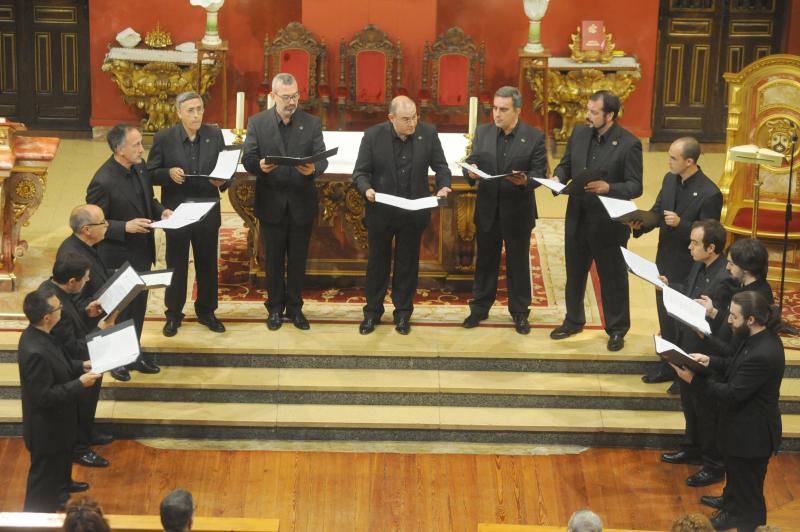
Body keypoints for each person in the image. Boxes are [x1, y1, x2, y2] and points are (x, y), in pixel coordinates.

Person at [671, 291, 785, 531]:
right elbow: (733, 364)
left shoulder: (764, 353)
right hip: (739, 429)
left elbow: (732, 393)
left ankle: (747, 524)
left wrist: (694, 380)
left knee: (750, 496)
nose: (728, 320)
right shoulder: (752, 337)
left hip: (752, 436)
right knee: (736, 479)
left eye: (733, 316)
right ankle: (731, 509)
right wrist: (709, 360)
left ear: (751, 320)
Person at [549, 90, 643, 351]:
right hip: (578, 216)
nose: (587, 116)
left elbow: (635, 185)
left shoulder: (629, 144)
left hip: (608, 222)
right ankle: (573, 320)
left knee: (612, 277)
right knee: (575, 272)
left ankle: (617, 329)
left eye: (594, 112)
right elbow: (566, 164)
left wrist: (609, 187)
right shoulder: (579, 134)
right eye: (588, 110)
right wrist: (558, 176)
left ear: (610, 115)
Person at [352, 95, 452, 335]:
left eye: (415, 117)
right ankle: (372, 313)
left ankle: (403, 314)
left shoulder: (428, 134)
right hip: (381, 211)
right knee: (378, 264)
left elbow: (441, 167)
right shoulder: (373, 136)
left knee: (407, 265)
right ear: (391, 118)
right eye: (406, 119)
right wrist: (367, 190)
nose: (412, 123)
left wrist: (443, 186)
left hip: (413, 212)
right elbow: (360, 173)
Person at [242, 73, 328, 331]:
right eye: (286, 97)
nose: (292, 102)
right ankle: (275, 308)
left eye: (295, 96)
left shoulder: (311, 123)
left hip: (301, 202)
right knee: (274, 260)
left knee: (298, 260)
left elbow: (322, 158)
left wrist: (313, 169)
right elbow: (248, 158)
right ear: (273, 96)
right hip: (272, 202)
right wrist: (258, 166)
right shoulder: (258, 123)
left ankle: (295, 308)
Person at [634, 137, 722, 384]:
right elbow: (657, 211)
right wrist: (639, 223)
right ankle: (668, 365)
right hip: (666, 259)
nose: (668, 161)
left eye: (673, 158)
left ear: (690, 161)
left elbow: (710, 235)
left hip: (689, 267)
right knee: (665, 315)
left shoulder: (710, 193)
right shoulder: (669, 179)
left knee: (684, 319)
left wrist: (682, 224)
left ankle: (684, 371)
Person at [86, 124, 171, 381]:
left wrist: (161, 212)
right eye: (135, 145)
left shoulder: (140, 167)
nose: (141, 149)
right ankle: (116, 361)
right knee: (119, 310)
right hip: (117, 256)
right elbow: (93, 225)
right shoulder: (102, 181)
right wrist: (125, 226)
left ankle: (134, 354)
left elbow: (149, 200)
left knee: (138, 307)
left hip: (142, 251)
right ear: (119, 149)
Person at [460, 86, 547, 334]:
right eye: (495, 108)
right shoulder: (483, 132)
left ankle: (520, 312)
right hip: (488, 209)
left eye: (503, 109)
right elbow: (472, 161)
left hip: (517, 211)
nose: (497, 114)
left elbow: (540, 173)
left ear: (517, 110)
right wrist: (470, 172)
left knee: (518, 264)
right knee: (485, 262)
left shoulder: (534, 137)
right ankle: (479, 308)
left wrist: (526, 181)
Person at [147, 91, 228, 337]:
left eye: (200, 109)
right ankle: (173, 314)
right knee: (176, 264)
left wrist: (222, 181)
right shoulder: (164, 138)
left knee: (207, 263)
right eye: (190, 110)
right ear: (179, 113)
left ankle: (206, 311)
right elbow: (150, 173)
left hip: (207, 210)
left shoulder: (214, 135)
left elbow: (227, 170)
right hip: (177, 211)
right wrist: (167, 173)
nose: (196, 115)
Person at [658, 221, 728, 489]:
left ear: (711, 248)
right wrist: (669, 286)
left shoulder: (724, 279)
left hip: (707, 352)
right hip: (688, 343)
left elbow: (724, 323)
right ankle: (692, 447)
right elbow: (690, 293)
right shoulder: (699, 265)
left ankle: (713, 464)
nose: (689, 247)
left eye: (695, 243)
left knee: (706, 410)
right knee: (689, 402)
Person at [17, 287, 100, 512]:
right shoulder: (34, 350)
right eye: (59, 307)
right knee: (42, 484)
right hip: (46, 430)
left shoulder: (43, 334)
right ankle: (35, 521)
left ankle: (61, 492)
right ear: (47, 317)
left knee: (60, 465)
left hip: (60, 423)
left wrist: (81, 365)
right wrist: (80, 383)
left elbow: (59, 362)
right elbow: (43, 396)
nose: (62, 309)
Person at [42, 253, 116, 469]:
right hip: (71, 367)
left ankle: (87, 432)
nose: (88, 280)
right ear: (72, 281)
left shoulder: (55, 288)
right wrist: (101, 329)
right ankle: (79, 449)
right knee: (79, 408)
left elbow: (71, 318)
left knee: (87, 406)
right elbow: (72, 348)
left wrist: (85, 311)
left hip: (79, 361)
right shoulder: (54, 305)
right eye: (85, 278)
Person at [56, 205, 112, 330]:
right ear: (87, 230)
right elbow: (75, 303)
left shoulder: (87, 244)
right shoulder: (72, 257)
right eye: (102, 222)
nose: (107, 225)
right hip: (88, 328)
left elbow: (97, 273)